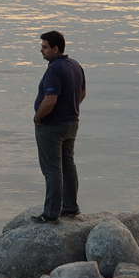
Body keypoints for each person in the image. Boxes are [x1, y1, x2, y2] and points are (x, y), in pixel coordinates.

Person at [31, 31, 87, 223]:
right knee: (68, 166)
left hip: (52, 126)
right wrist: (69, 109)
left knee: (52, 170)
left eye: (45, 47)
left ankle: (51, 214)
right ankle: (71, 208)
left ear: (56, 49)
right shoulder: (75, 65)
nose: (41, 50)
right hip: (72, 123)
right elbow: (82, 93)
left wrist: (38, 118)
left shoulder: (54, 69)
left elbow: (50, 100)